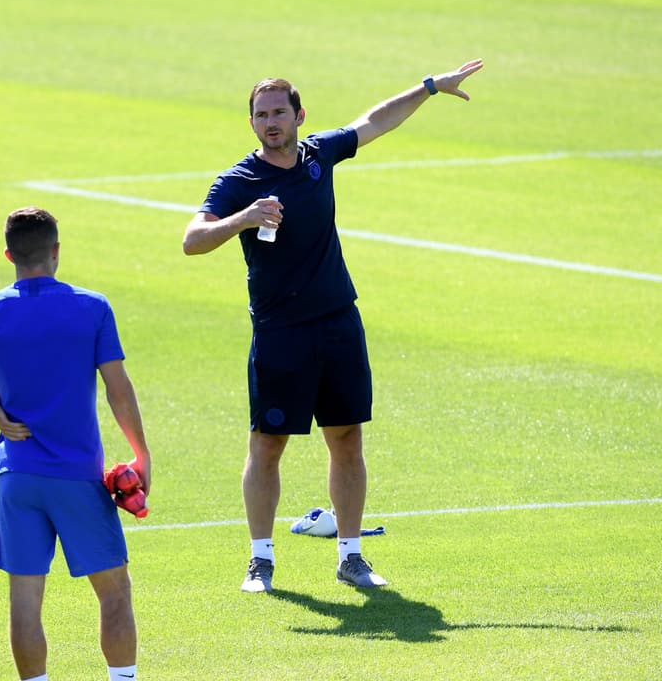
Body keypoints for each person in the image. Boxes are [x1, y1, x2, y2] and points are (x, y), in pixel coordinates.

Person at [182, 60, 483, 594]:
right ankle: (260, 560)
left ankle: (350, 556)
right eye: (260, 114)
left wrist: (431, 87)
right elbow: (193, 239)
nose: (270, 122)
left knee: (346, 439)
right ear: (251, 122)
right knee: (267, 446)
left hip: (339, 322)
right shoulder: (239, 181)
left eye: (279, 112)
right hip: (280, 332)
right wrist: (243, 219)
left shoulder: (320, 152)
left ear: (299, 115)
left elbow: (375, 120)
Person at [0, 207, 177, 681]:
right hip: (77, 478)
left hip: (16, 476)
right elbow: (117, 388)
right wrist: (141, 453)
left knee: (24, 602)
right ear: (56, 251)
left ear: (9, 254)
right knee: (114, 595)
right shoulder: (91, 308)